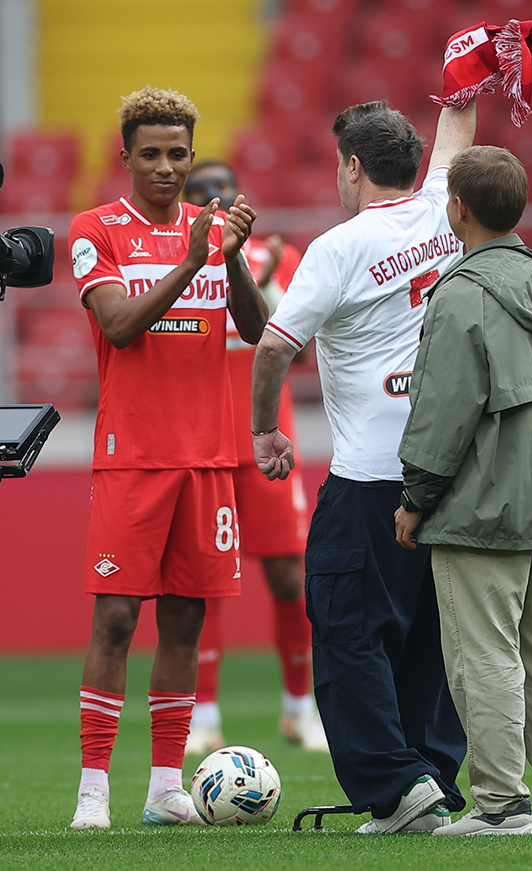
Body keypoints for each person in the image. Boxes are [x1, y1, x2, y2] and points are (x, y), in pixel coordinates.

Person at [250, 99, 475, 834]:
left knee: (349, 632)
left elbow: (273, 345)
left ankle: (394, 784)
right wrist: (461, 94)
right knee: (427, 639)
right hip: (447, 473)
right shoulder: (446, 210)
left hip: (370, 477)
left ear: (351, 167)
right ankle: (429, 778)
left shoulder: (339, 247)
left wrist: (264, 431)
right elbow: (455, 146)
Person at [67, 88, 267, 829]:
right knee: (116, 619)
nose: (164, 166)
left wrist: (232, 257)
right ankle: (93, 789)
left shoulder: (212, 232)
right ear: (125, 156)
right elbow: (118, 326)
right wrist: (189, 262)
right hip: (133, 457)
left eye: (176, 153)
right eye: (149, 153)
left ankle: (164, 787)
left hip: (209, 458)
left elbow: (253, 327)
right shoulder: (97, 229)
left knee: (184, 622)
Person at [394, 145, 532, 836]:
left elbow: (443, 411)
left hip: (481, 509)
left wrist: (414, 496)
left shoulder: (461, 292)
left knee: (485, 658)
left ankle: (500, 806)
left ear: (458, 209)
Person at [181, 161, 326, 755]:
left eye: (222, 189)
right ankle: (204, 717)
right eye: (200, 192)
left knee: (290, 576)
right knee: (206, 583)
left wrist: (252, 269)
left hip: (269, 438)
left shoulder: (281, 255)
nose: (213, 199)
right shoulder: (178, 259)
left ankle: (300, 708)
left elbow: (289, 338)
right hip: (206, 440)